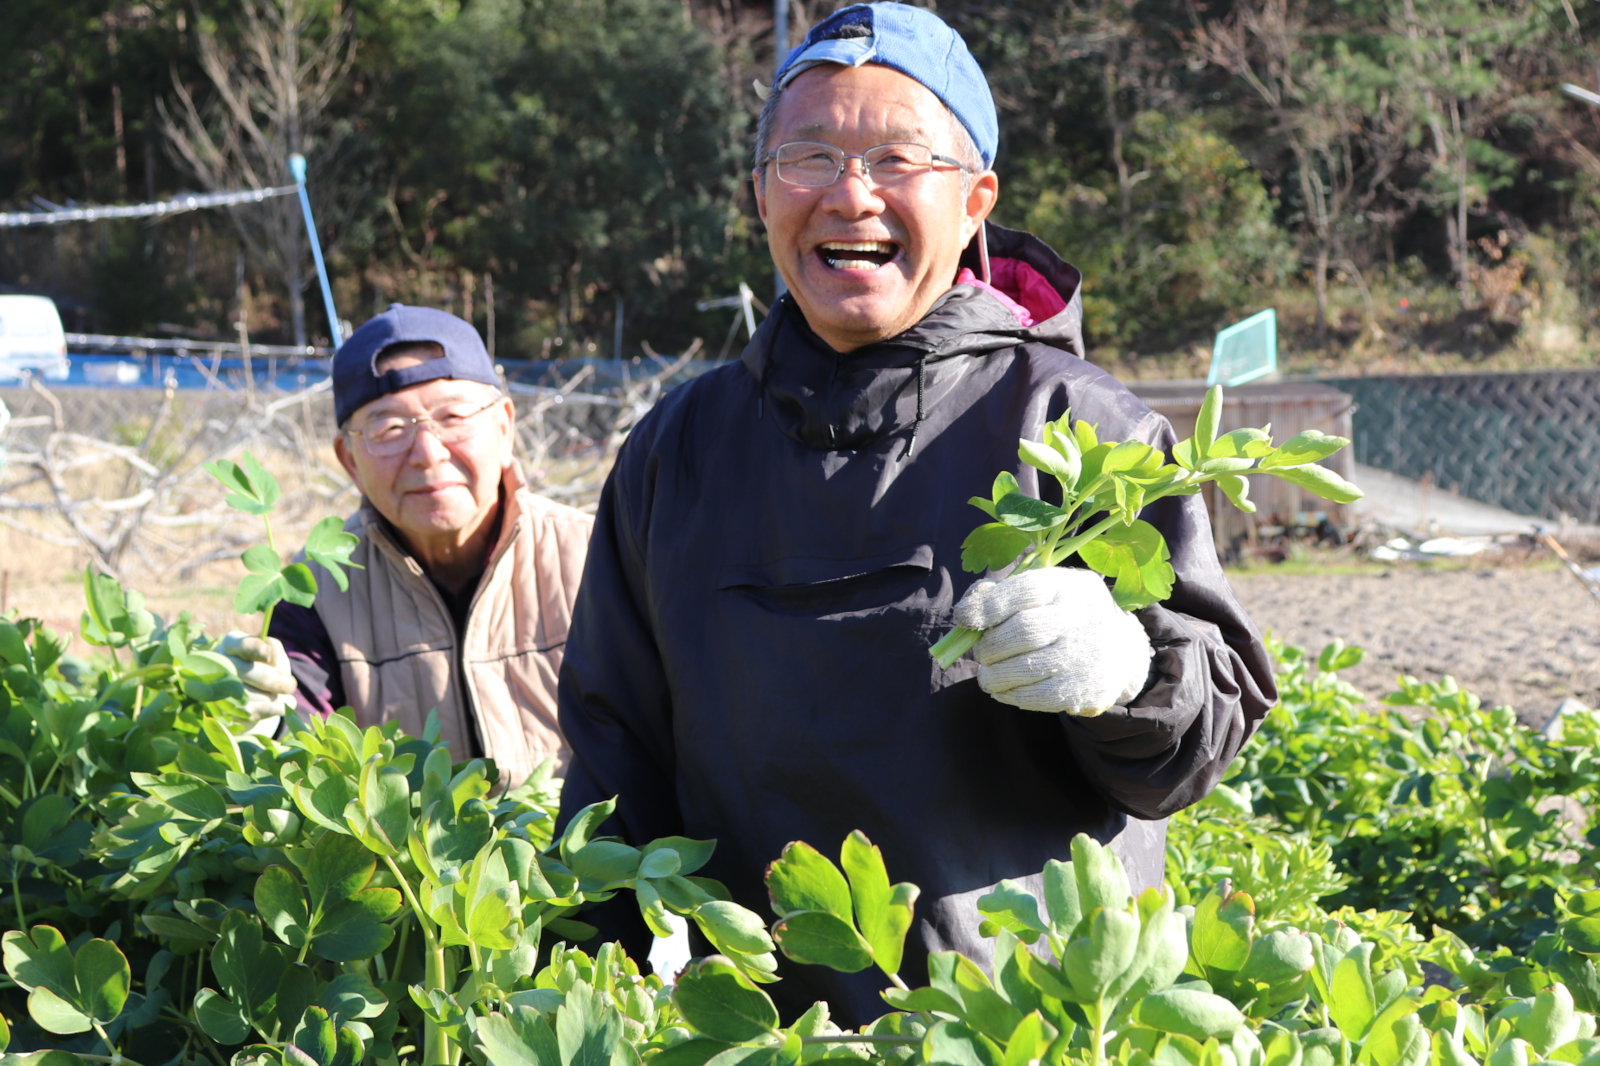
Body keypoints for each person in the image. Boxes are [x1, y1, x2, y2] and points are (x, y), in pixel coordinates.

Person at [557, 1, 1276, 1023]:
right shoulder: (676, 451)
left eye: (899, 158)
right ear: (761, 191)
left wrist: (1128, 676)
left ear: (976, 199)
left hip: (1025, 1020)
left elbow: (1194, 743)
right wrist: (578, 998)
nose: (851, 194)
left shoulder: (1077, 426)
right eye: (808, 156)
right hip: (764, 1032)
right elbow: (612, 759)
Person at [227, 304, 592, 788]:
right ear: (349, 460)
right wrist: (254, 713)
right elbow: (300, 752)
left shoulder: (596, 556)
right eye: (389, 429)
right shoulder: (315, 589)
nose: (427, 453)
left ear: (505, 428)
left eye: (453, 416)